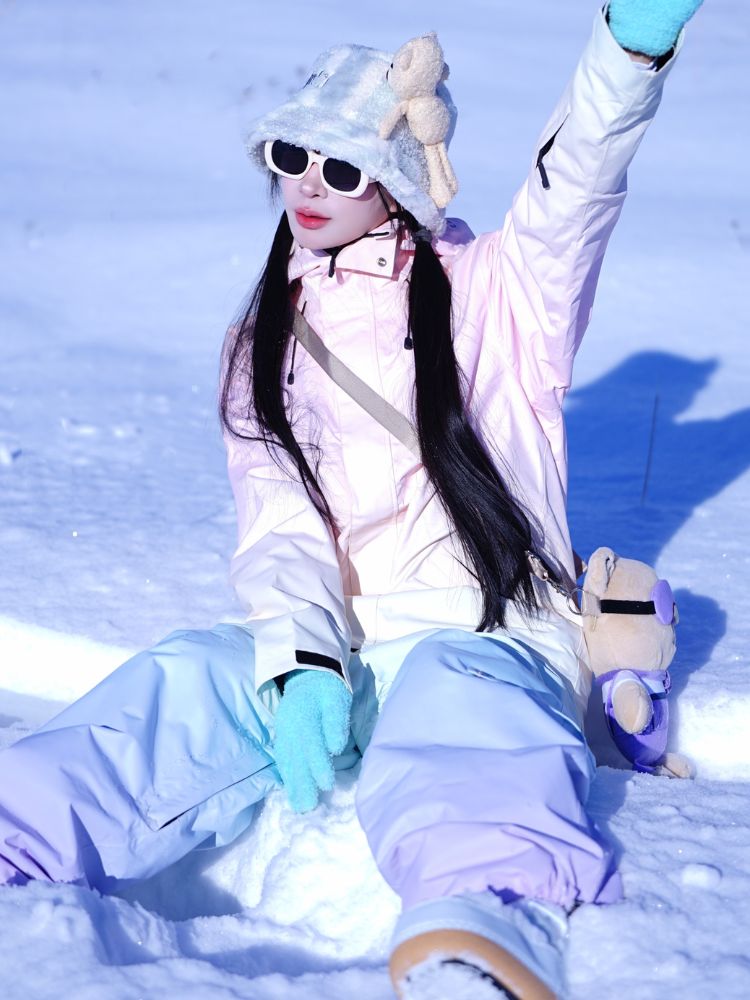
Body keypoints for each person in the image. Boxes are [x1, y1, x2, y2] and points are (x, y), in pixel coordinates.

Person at [0, 2, 703, 997]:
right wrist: (301, 662)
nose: (306, 184)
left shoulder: (504, 298)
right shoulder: (262, 341)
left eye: (340, 166)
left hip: (486, 635)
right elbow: (279, 524)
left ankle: (487, 919)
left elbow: (578, 182)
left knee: (461, 706)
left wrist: (627, 51)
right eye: (292, 155)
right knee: (185, 679)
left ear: (401, 178)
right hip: (341, 648)